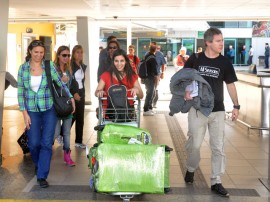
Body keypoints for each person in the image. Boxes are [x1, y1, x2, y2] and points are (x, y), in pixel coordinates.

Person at [183, 28, 240, 197]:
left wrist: (236, 106)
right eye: (218, 41)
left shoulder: (225, 62)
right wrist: (186, 89)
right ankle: (191, 167)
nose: (221, 43)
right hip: (198, 109)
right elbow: (184, 76)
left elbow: (230, 84)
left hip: (218, 110)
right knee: (194, 144)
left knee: (218, 147)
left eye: (222, 40)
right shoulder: (195, 59)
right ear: (207, 42)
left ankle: (216, 180)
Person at [17, 40, 75, 188]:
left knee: (46, 143)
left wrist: (70, 98)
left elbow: (60, 84)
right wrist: (24, 113)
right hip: (32, 111)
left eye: (41, 52)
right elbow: (20, 92)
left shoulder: (48, 66)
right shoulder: (23, 69)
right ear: (30, 51)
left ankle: (42, 175)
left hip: (49, 109)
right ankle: (39, 164)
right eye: (36, 52)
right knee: (34, 143)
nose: (39, 55)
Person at [53, 45, 76, 166]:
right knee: (56, 132)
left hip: (67, 105)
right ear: (58, 56)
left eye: (68, 55)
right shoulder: (53, 69)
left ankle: (67, 157)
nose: (67, 58)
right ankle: (45, 152)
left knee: (67, 132)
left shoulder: (69, 70)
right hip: (56, 105)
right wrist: (60, 79)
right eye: (64, 55)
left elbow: (70, 87)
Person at [70, 45, 87, 149]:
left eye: (81, 52)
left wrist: (81, 93)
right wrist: (74, 93)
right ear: (73, 53)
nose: (80, 54)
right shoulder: (71, 66)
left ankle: (79, 141)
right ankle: (62, 133)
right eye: (77, 52)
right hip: (74, 93)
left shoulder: (82, 65)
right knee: (73, 116)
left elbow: (81, 81)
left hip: (81, 92)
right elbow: (70, 82)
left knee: (80, 117)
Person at [143, 42, 158, 116]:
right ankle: (146, 109)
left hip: (147, 77)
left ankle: (149, 108)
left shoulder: (147, 55)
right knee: (150, 93)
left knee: (151, 93)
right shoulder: (152, 57)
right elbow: (154, 69)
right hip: (150, 77)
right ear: (155, 50)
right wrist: (156, 76)